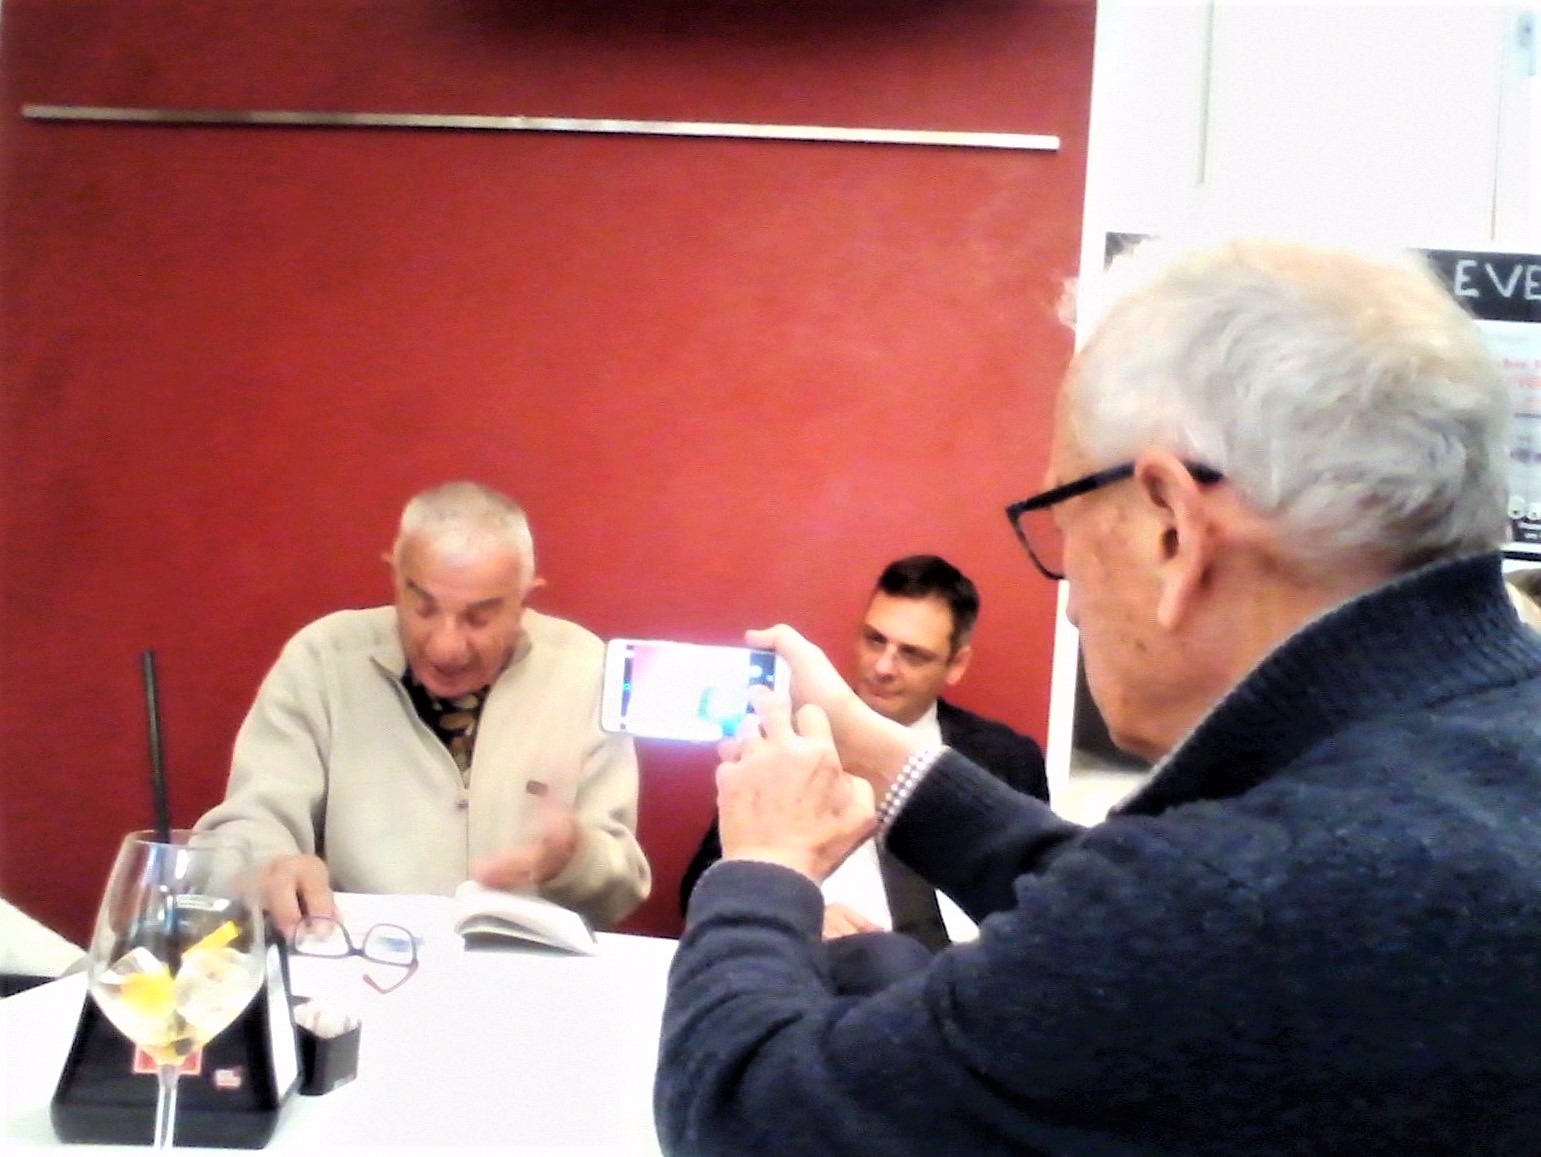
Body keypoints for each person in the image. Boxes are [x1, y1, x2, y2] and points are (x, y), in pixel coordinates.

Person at [655, 236, 1541, 1155]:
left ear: (1170, 528)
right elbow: (1138, 907)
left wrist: (762, 864)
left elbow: (745, 1112)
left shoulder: (1233, 902)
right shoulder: (1481, 747)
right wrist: (870, 748)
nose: (1073, 602)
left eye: (1063, 526)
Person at [197, 481, 650, 935]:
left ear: (524, 600)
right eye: (423, 607)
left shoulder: (585, 671)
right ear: (395, 577)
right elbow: (242, 832)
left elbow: (622, 889)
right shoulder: (323, 660)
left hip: (529, 966)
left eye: (478, 618)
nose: (445, 647)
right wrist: (270, 866)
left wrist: (572, 858)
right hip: (361, 956)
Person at [678, 554, 1047, 952]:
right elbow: (700, 887)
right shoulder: (790, 742)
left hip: (961, 973)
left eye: (912, 654)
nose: (883, 667)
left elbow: (1038, 903)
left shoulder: (1007, 759)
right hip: (823, 966)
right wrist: (797, 910)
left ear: (956, 664)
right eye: (875, 640)